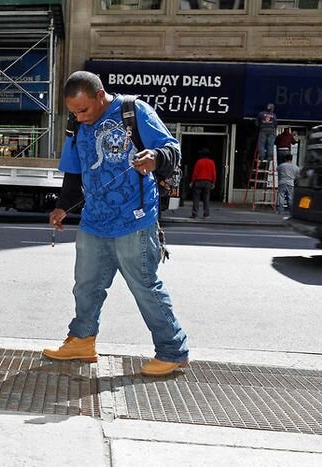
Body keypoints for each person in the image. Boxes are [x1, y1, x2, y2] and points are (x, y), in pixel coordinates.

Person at [43, 71, 189, 377]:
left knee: (145, 288)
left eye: (83, 110)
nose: (79, 117)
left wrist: (155, 157)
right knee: (86, 286)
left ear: (100, 95)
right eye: (73, 112)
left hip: (134, 220)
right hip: (94, 221)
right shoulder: (76, 124)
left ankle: (173, 351)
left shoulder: (133, 110)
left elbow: (171, 149)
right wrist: (62, 206)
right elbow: (75, 171)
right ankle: (82, 339)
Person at [189, 148, 216, 219]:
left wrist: (192, 181)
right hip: (208, 181)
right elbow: (214, 173)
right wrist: (213, 182)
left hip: (199, 181)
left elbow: (195, 173)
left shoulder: (199, 162)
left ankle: (195, 214)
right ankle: (206, 214)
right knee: (206, 199)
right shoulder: (211, 162)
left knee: (196, 198)